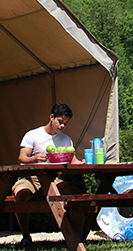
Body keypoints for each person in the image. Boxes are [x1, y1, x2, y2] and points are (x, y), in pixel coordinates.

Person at [12, 103, 84, 245]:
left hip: (53, 178)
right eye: (60, 122)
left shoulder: (65, 139)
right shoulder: (33, 134)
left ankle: (78, 237)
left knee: (77, 196)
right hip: (30, 177)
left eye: (66, 124)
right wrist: (33, 158)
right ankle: (26, 236)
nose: (62, 126)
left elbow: (72, 160)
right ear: (52, 117)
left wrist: (81, 163)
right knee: (21, 195)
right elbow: (22, 158)